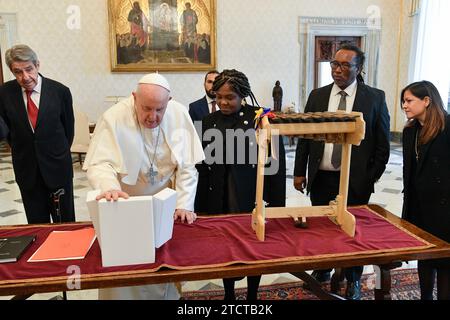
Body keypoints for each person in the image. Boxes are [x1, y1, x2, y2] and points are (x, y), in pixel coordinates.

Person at [83, 73, 204, 300]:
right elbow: (100, 163)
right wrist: (109, 186)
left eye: (160, 110)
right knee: (124, 266)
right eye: (146, 108)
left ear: (169, 102)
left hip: (164, 204)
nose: (153, 116)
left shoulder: (178, 114)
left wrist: (184, 203)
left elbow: (187, 166)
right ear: (134, 98)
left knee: (164, 262)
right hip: (125, 202)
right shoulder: (114, 117)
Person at [293, 44, 390, 300]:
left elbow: (382, 143)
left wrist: (370, 177)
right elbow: (305, 137)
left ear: (359, 69)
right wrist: (299, 172)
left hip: (356, 179)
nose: (338, 70)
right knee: (322, 226)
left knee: (352, 232)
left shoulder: (375, 98)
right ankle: (323, 269)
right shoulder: (317, 95)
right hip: (322, 175)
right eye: (335, 64)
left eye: (346, 65)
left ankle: (353, 279)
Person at [195, 69, 286, 300]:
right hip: (220, 193)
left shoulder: (260, 118)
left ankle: (253, 294)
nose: (223, 102)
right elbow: (202, 165)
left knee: (253, 244)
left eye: (229, 97)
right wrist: (200, 205)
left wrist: (277, 202)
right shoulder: (208, 121)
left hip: (249, 192)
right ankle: (228, 294)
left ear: (242, 95)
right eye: (219, 97)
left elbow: (275, 161)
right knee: (225, 245)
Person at [0, 44, 75, 224]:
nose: (25, 77)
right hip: (27, 170)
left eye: (29, 69)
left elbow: (68, 130)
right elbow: (8, 131)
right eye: (18, 72)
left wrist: (56, 152)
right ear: (12, 71)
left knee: (64, 224)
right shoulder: (4, 93)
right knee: (36, 225)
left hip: (57, 168)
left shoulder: (60, 91)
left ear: (37, 65)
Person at [400, 80, 450, 300]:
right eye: (403, 100)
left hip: (445, 207)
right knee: (425, 256)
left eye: (409, 100)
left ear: (427, 101)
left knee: (445, 262)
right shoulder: (410, 131)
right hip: (419, 205)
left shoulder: (447, 127)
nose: (404, 105)